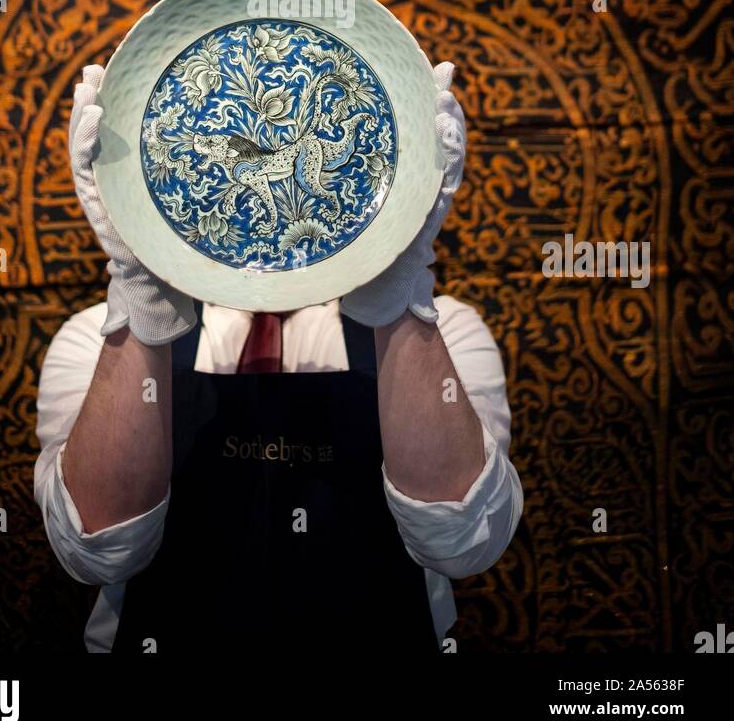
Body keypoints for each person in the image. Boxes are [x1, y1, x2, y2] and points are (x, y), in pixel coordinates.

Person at [34, 59, 523, 659]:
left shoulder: (449, 332)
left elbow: (462, 545)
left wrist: (400, 284)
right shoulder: (94, 342)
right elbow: (95, 551)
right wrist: (139, 290)